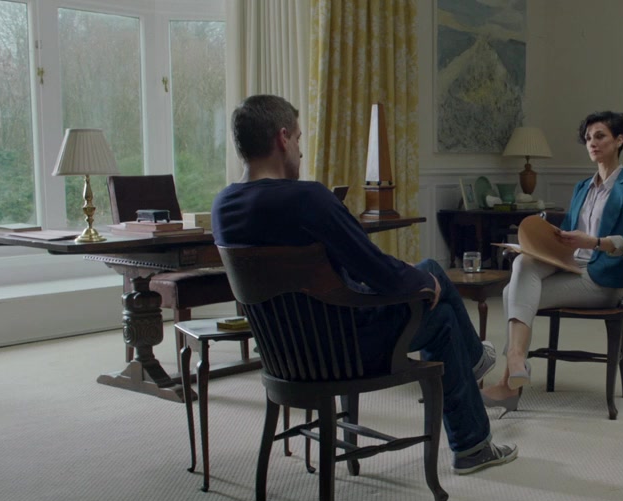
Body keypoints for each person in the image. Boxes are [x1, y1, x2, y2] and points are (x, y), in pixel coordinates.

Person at [211, 94, 516, 474]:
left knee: (426, 272)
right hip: (341, 349)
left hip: (283, 353)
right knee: (441, 313)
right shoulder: (307, 198)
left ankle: (474, 361)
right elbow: (375, 270)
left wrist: (417, 276)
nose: (301, 151)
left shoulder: (222, 207)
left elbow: (351, 270)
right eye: (299, 139)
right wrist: (423, 283)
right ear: (283, 138)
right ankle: (472, 441)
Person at [480, 111, 623, 411]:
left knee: (511, 294)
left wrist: (595, 242)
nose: (592, 143)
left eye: (600, 136)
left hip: (602, 278)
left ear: (619, 140)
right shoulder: (582, 187)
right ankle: (516, 361)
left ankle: (510, 379)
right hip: (570, 264)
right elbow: (568, 234)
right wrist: (539, 242)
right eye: (588, 138)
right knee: (523, 263)